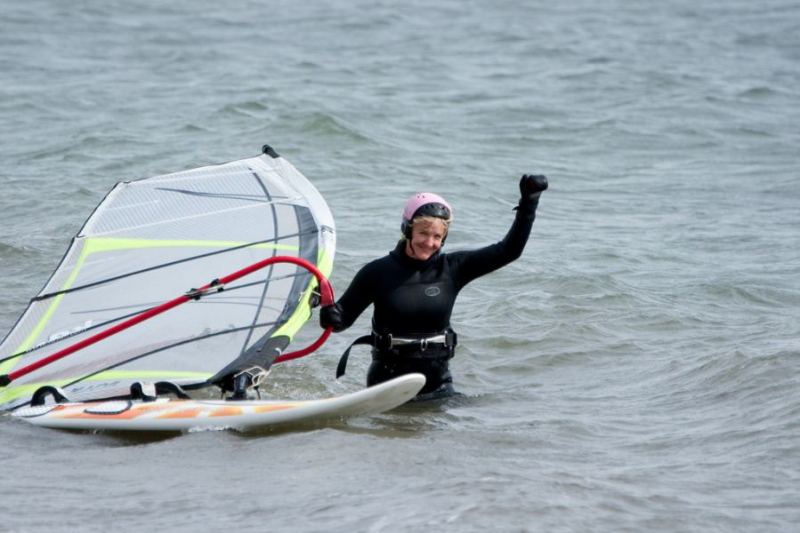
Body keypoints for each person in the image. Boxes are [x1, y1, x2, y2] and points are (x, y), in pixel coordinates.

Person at [320, 174, 548, 400]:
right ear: (407, 229)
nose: (430, 243)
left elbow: (509, 251)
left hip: (439, 387)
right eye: (423, 233)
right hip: (386, 388)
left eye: (437, 236)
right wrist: (329, 313)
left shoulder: (453, 269)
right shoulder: (377, 272)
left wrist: (530, 202)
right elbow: (341, 320)